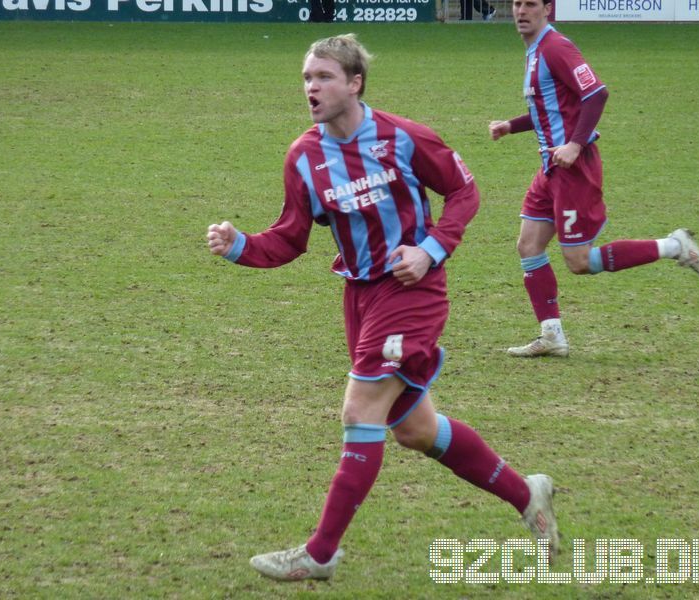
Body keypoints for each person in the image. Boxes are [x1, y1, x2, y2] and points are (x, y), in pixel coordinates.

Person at [207, 33, 559, 582]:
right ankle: (527, 493)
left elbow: (464, 192)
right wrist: (239, 247)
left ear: (354, 83)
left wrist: (430, 249)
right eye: (306, 78)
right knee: (415, 429)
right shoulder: (304, 157)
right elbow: (290, 238)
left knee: (359, 411)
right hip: (361, 297)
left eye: (323, 77)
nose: (311, 88)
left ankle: (320, 553)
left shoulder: (402, 137)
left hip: (413, 293)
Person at [490, 0, 699, 358]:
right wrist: (510, 126)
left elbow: (596, 93)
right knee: (529, 245)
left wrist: (575, 145)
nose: (521, 11)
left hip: (574, 168)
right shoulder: (534, 51)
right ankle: (552, 335)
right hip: (551, 168)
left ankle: (675, 245)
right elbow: (550, 107)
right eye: (516, 3)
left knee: (579, 262)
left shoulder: (555, 47)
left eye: (530, 4)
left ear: (548, 8)